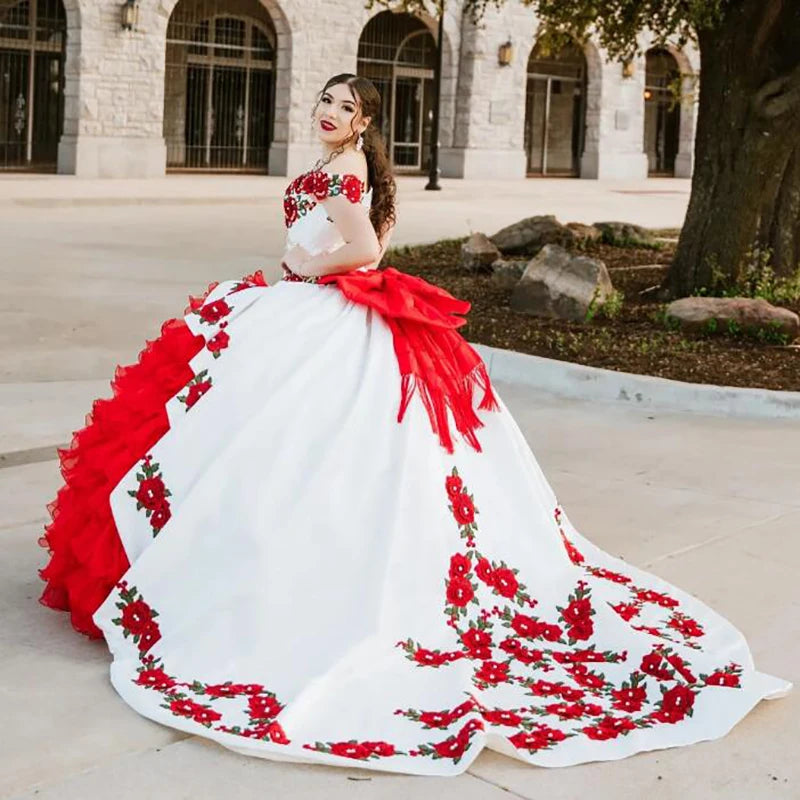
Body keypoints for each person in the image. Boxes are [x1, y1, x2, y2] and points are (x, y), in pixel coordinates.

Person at [38, 73, 790, 776]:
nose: (328, 112)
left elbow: (363, 249)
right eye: (324, 101)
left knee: (281, 446)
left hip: (318, 308)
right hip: (305, 309)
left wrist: (309, 271)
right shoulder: (347, 166)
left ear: (363, 120)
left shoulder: (345, 172)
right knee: (248, 440)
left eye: (343, 106)